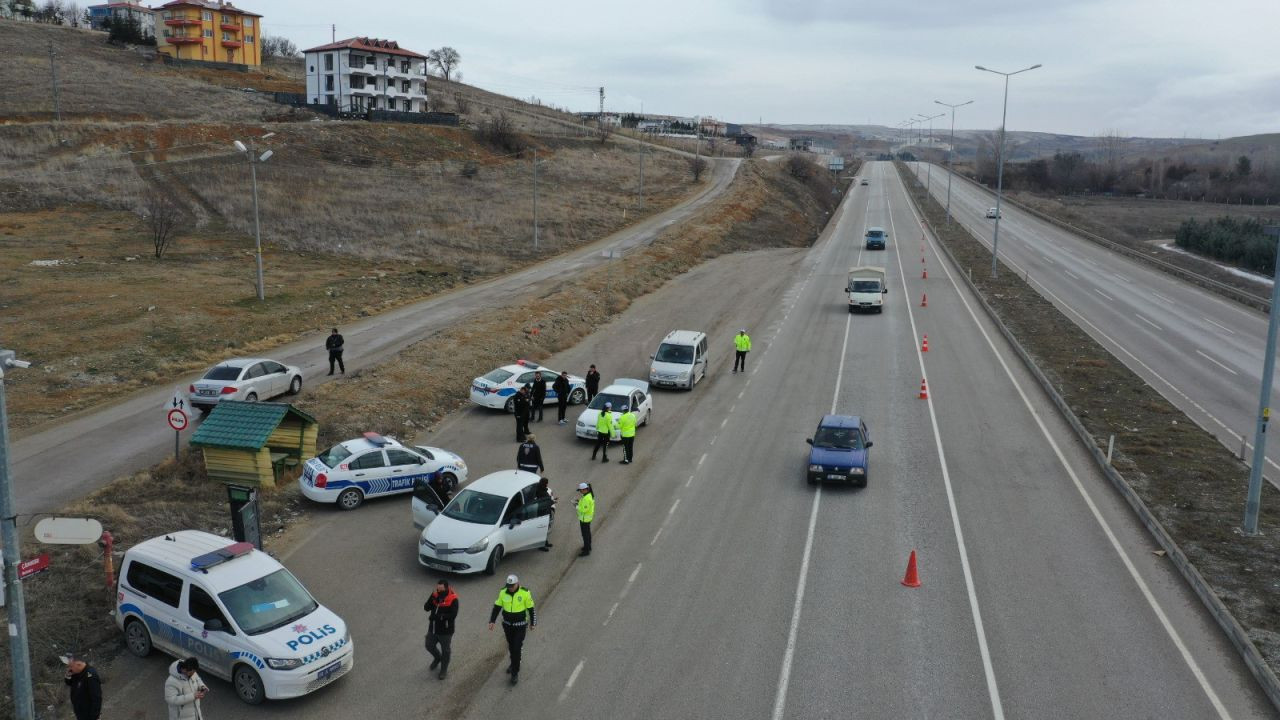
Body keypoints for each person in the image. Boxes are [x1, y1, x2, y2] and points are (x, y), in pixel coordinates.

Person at [488, 574, 536, 686]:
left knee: (516, 647)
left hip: (520, 625)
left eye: (512, 586)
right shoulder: (503, 592)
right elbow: (497, 607)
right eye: (508, 585)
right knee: (511, 646)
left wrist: (533, 622)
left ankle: (515, 673)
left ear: (517, 583)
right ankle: (513, 663)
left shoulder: (525, 593)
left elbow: (531, 608)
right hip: (507, 625)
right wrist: (492, 621)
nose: (510, 588)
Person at [424, 579, 459, 680]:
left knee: (446, 651)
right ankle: (437, 657)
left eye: (441, 589)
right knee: (429, 645)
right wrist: (431, 600)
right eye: (437, 589)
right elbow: (426, 608)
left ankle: (443, 669)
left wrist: (439, 617)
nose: (438, 591)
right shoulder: (435, 595)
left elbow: (453, 615)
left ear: (446, 588)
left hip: (446, 631)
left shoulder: (453, 598)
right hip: (433, 628)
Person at [64, 655, 102, 720]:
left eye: (71, 666)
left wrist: (95, 716)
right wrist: (68, 675)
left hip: (89, 714)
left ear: (78, 664)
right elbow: (69, 683)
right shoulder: (77, 673)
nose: (70, 669)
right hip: (80, 712)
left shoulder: (90, 676)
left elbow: (97, 698)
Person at [535, 477, 557, 551]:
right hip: (543, 513)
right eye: (547, 483)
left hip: (544, 511)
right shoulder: (542, 492)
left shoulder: (541, 489)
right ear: (545, 484)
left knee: (545, 529)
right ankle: (541, 545)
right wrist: (553, 501)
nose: (548, 484)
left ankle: (545, 542)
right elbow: (545, 502)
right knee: (543, 529)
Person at [575, 482, 595, 556]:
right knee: (587, 534)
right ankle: (588, 546)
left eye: (580, 490)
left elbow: (584, 509)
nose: (580, 492)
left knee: (585, 535)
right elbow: (584, 505)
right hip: (586, 519)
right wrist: (579, 502)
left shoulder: (586, 498)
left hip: (585, 519)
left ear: (584, 490)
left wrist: (576, 506)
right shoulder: (587, 495)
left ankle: (586, 550)